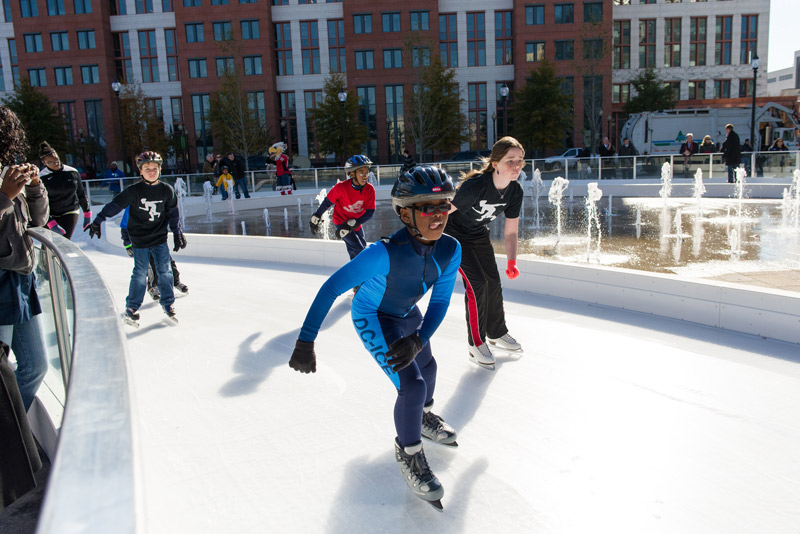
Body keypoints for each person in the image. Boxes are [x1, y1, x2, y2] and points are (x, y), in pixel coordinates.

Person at [289, 166, 461, 510]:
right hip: (374, 315)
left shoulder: (450, 248)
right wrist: (305, 342)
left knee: (429, 367)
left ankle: (421, 416)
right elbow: (331, 288)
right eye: (427, 207)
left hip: (406, 312)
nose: (438, 215)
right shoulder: (383, 253)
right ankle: (410, 453)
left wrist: (419, 339)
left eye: (444, 205)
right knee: (412, 385)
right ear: (405, 214)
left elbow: (440, 301)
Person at [445, 136, 525, 370]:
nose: (517, 165)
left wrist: (512, 261)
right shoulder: (476, 185)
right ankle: (476, 344)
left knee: (493, 282)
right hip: (454, 235)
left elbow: (511, 232)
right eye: (511, 160)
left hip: (478, 235)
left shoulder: (515, 191)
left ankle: (496, 332)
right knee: (477, 284)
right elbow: (444, 211)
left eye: (520, 160)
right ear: (495, 163)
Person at [86, 151, 187, 324]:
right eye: (147, 169)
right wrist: (98, 220)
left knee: (165, 271)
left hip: (159, 239)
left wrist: (177, 232)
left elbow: (172, 213)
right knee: (140, 273)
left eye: (155, 168)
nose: (151, 172)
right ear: (140, 171)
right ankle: (132, 307)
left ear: (160, 170)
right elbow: (115, 206)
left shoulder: (167, 190)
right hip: (140, 240)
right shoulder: (133, 191)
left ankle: (168, 304)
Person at [0, 106, 49, 411]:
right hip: (1, 280)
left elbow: (39, 221)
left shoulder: (7, 170)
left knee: (36, 367)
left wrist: (34, 186)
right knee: (2, 371)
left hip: (21, 277)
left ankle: (12, 428)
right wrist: (4, 196)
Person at [309, 155, 376, 261]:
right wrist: (317, 215)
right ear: (352, 174)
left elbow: (370, 212)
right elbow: (327, 202)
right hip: (341, 221)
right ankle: (362, 269)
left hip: (355, 222)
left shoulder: (369, 189)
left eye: (367, 172)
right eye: (361, 172)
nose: (365, 176)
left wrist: (357, 222)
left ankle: (354, 269)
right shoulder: (340, 188)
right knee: (358, 249)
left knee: (361, 246)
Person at [120, 207, 188, 301]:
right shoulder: (132, 205)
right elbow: (125, 226)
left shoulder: (160, 201)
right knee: (151, 265)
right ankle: (153, 287)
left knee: (168, 262)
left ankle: (175, 282)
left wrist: (179, 233)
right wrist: (127, 245)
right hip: (141, 242)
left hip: (157, 239)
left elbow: (171, 216)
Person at [38, 141, 91, 240]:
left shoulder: (72, 172)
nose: (56, 163)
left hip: (70, 210)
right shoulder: (41, 177)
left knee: (63, 240)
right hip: (50, 213)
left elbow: (81, 194)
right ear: (44, 163)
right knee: (48, 243)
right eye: (51, 162)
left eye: (56, 160)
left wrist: (87, 214)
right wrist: (50, 223)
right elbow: (39, 204)